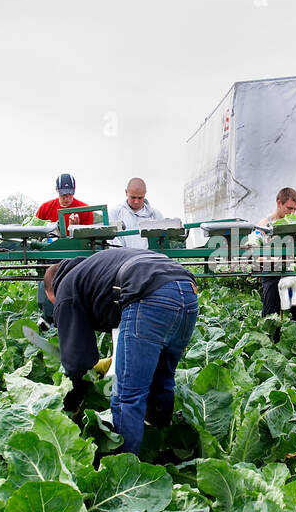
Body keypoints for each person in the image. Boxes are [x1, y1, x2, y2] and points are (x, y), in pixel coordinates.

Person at [42, 248, 198, 455]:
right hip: (187, 289)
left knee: (128, 397)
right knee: (162, 382)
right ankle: (162, 448)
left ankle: (124, 470)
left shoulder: (66, 288)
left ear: (51, 293)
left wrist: (72, 403)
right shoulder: (95, 270)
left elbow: (77, 362)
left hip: (149, 295)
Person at [255, 187, 296, 326]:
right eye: (289, 208)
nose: (292, 212)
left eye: (295, 209)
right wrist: (273, 259)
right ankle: (272, 344)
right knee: (270, 318)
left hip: (292, 274)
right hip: (272, 274)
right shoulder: (263, 226)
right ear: (279, 203)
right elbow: (256, 257)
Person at [110, 177, 166, 249]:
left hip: (148, 258)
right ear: (126, 192)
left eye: (140, 198)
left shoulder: (155, 215)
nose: (136, 201)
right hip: (123, 257)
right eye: (133, 197)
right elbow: (112, 241)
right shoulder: (115, 213)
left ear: (145, 193)